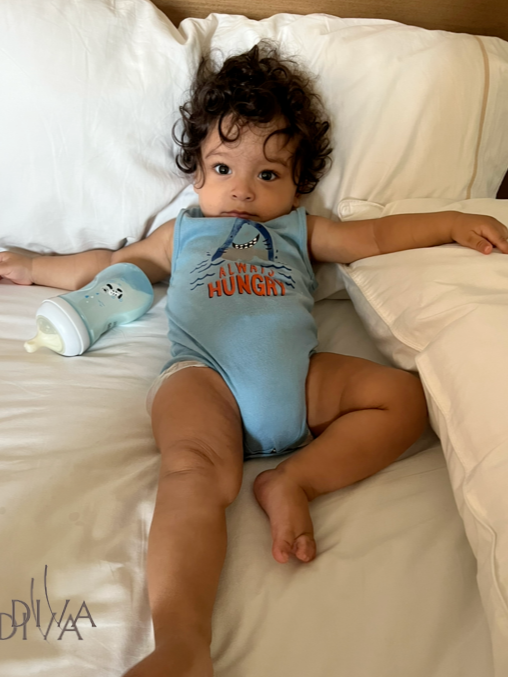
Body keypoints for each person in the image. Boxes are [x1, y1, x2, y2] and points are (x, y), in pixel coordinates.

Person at [1, 42, 507, 677]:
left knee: (403, 397)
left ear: (297, 186)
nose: (241, 189)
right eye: (223, 168)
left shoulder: (300, 231)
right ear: (196, 173)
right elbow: (108, 265)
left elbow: (375, 237)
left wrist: (451, 221)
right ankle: (182, 640)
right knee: (191, 471)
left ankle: (294, 480)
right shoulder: (183, 234)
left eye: (267, 175)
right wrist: (33, 266)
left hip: (296, 382)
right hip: (203, 378)